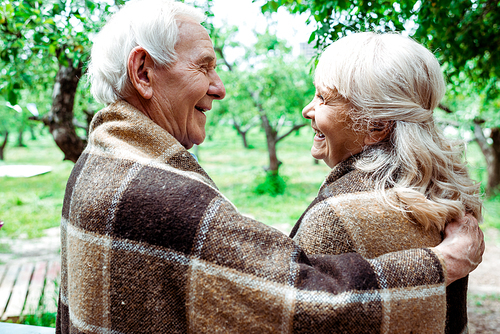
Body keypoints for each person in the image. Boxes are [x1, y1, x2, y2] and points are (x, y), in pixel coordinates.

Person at [56, 1, 484, 333]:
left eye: (325, 97)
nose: (219, 88)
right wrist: (441, 263)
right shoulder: (159, 195)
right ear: (143, 72)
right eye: (204, 66)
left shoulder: (93, 166)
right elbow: (303, 301)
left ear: (375, 125)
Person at [291, 32, 482, 333]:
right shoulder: (442, 197)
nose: (308, 110)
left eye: (323, 98)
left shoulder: (335, 217)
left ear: (376, 127)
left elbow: (298, 317)